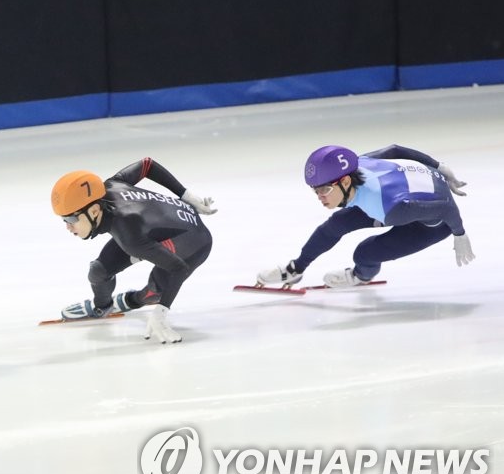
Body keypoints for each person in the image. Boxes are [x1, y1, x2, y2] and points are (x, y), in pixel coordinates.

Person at [256, 144, 474, 288]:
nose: (319, 197)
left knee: (365, 253)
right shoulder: (359, 164)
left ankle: (361, 276)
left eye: (323, 190)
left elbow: (445, 208)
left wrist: (460, 234)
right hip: (406, 194)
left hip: (434, 223)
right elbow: (394, 149)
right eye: (315, 190)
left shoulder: (392, 208)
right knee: (336, 224)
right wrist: (440, 166)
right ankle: (296, 268)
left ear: (345, 182)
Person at [51, 157, 217, 343]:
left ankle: (134, 300)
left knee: (154, 293)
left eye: (71, 220)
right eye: (64, 220)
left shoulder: (130, 237)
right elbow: (147, 164)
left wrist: (161, 312)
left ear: (95, 211)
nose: (68, 227)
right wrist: (186, 195)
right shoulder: (110, 186)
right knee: (98, 271)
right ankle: (102, 307)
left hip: (193, 243)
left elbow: (179, 269)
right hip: (152, 227)